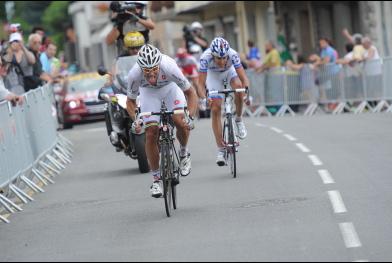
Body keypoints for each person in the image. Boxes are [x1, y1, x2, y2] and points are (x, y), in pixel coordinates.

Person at [126, 44, 198, 198]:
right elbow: (130, 102)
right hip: (148, 94)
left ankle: (184, 154)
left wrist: (190, 117)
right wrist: (136, 120)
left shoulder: (169, 66)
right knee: (151, 132)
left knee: (180, 121)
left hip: (170, 90)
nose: (151, 75)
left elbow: (191, 93)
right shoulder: (134, 74)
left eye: (154, 70)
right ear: (141, 68)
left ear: (159, 65)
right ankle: (156, 179)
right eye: (147, 71)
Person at [197, 37, 250, 166]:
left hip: (229, 73)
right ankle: (221, 149)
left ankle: (238, 119)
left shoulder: (233, 55)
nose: (221, 61)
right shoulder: (205, 58)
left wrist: (246, 93)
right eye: (218, 58)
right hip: (213, 76)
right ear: (212, 56)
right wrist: (204, 98)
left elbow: (244, 79)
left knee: (238, 88)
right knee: (215, 108)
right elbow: (200, 85)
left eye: (224, 58)